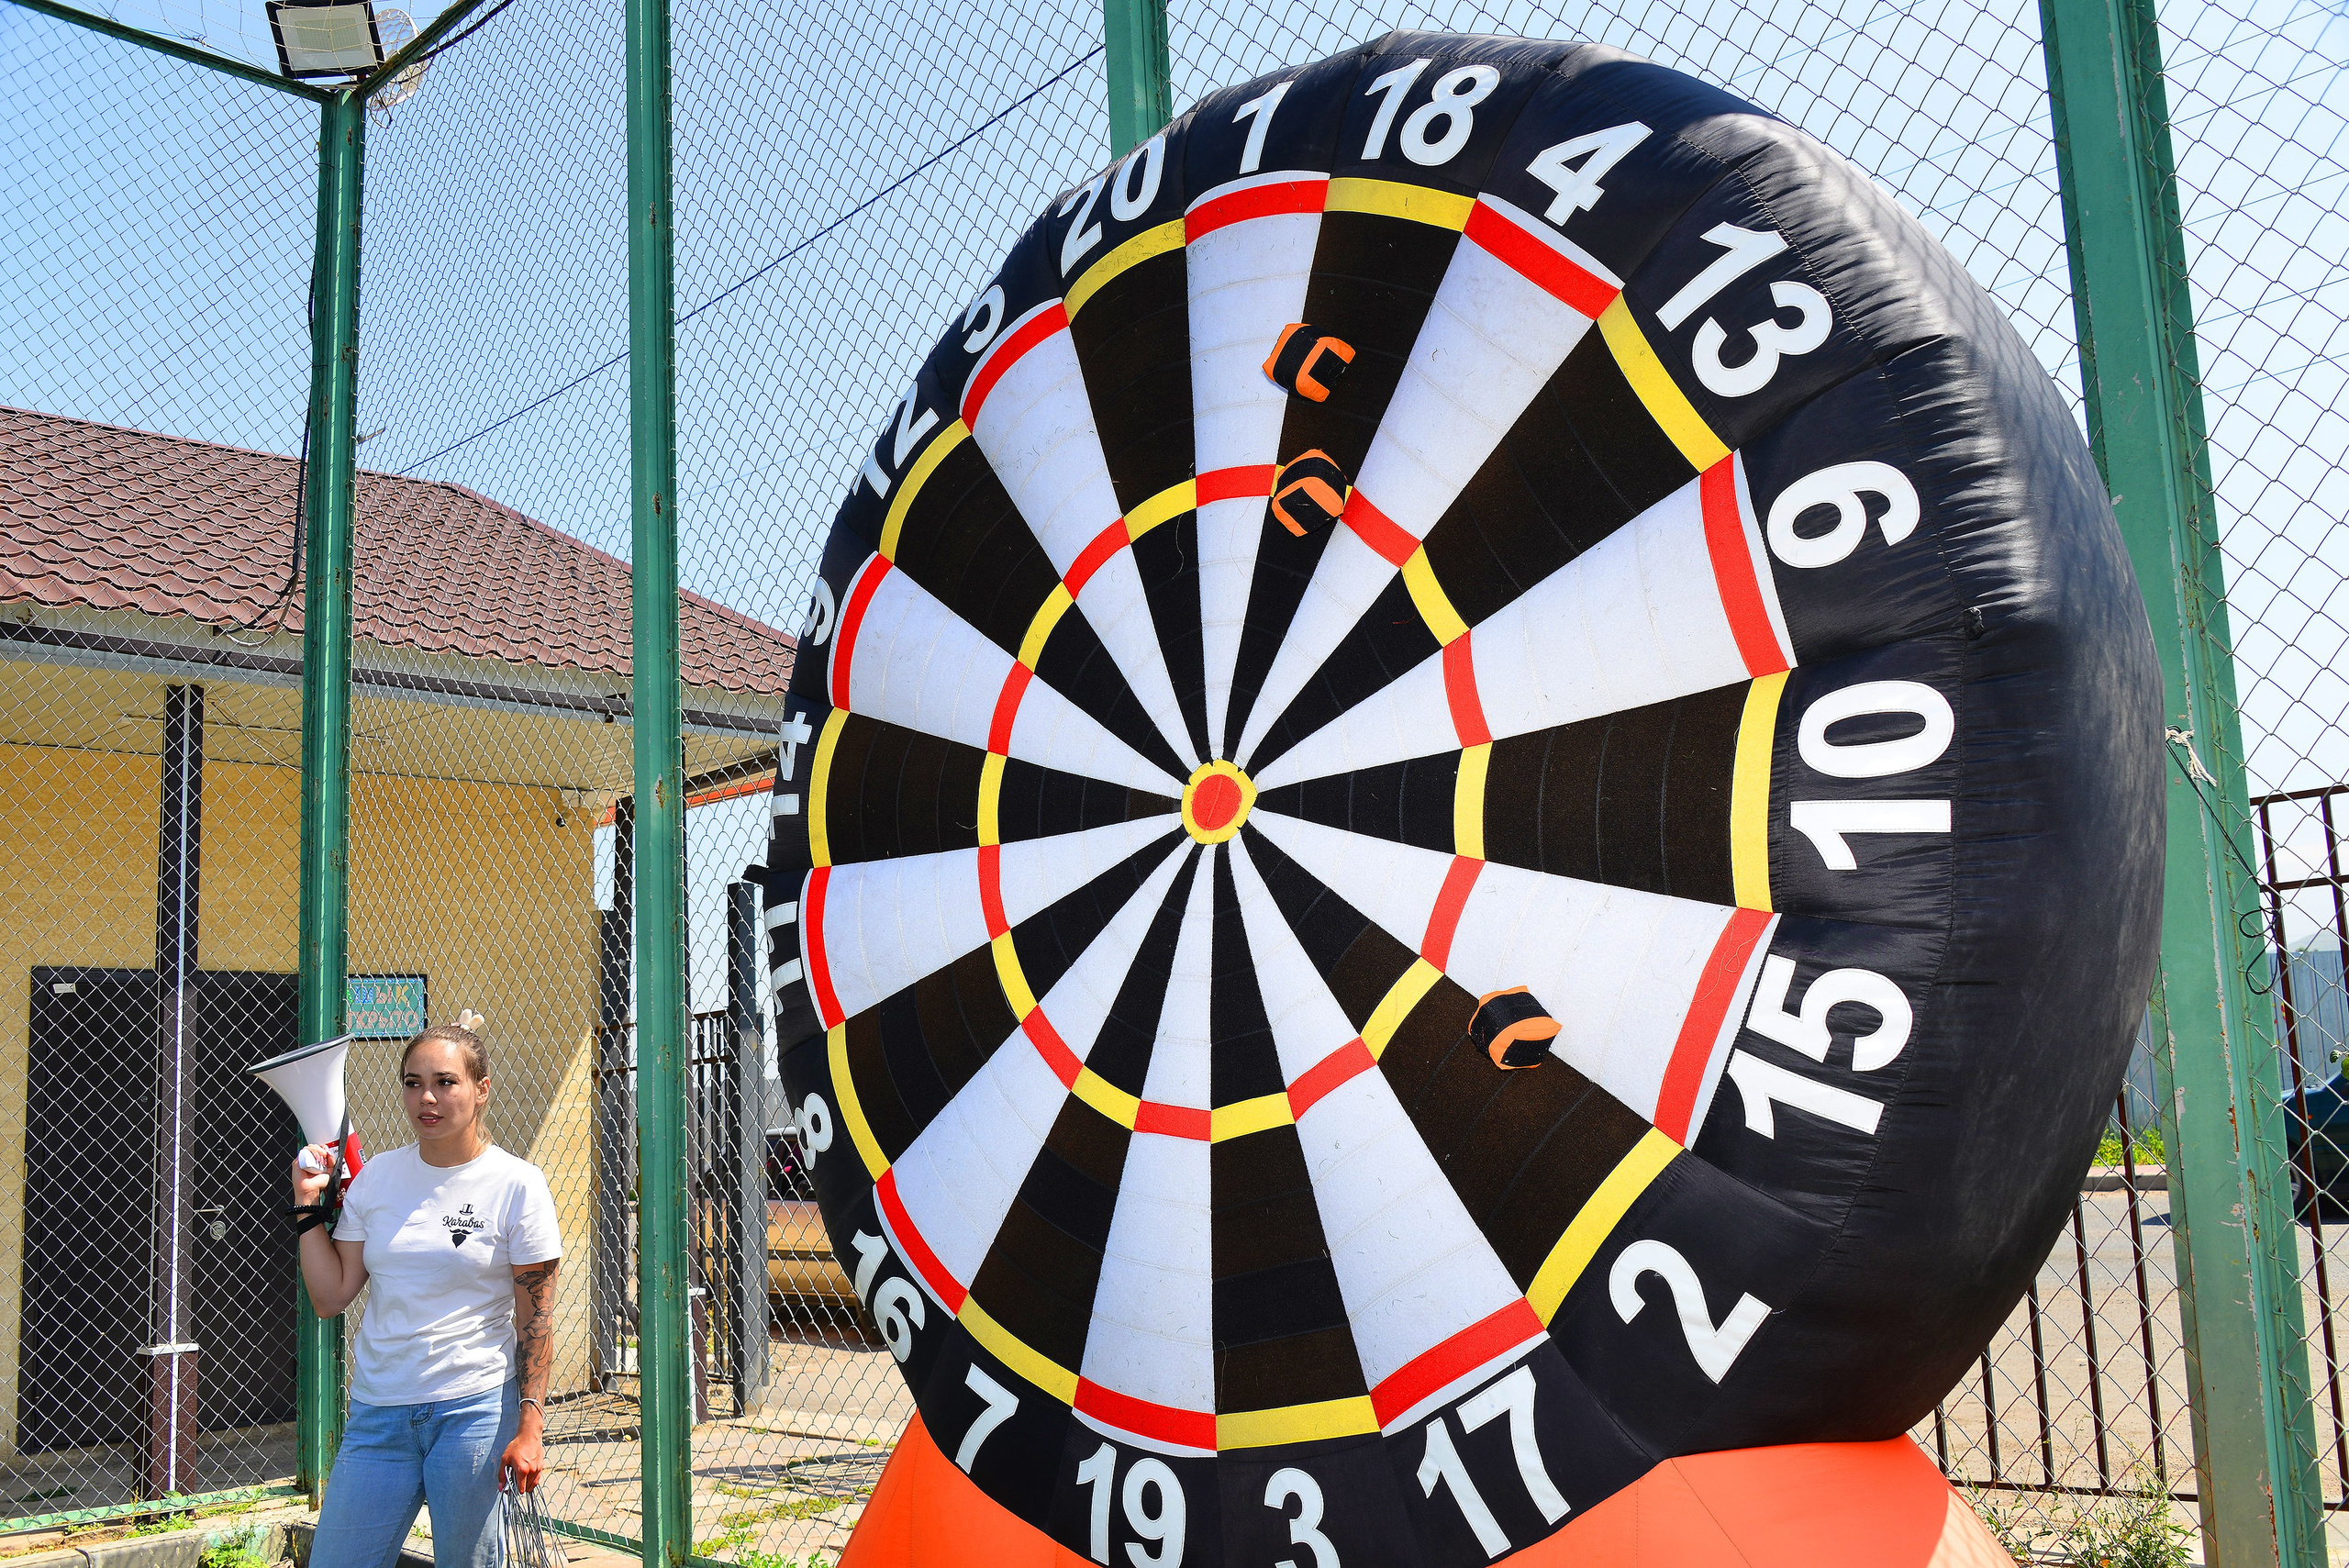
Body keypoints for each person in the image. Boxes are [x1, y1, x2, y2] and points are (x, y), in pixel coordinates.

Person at [296, 1014, 562, 1568]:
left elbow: (535, 1320)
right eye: (413, 1083)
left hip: (474, 1412)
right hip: (377, 1412)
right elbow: (331, 1296)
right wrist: (305, 1208)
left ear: (481, 1089)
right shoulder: (376, 1178)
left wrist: (530, 1426)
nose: (427, 1098)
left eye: (445, 1082)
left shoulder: (519, 1185)